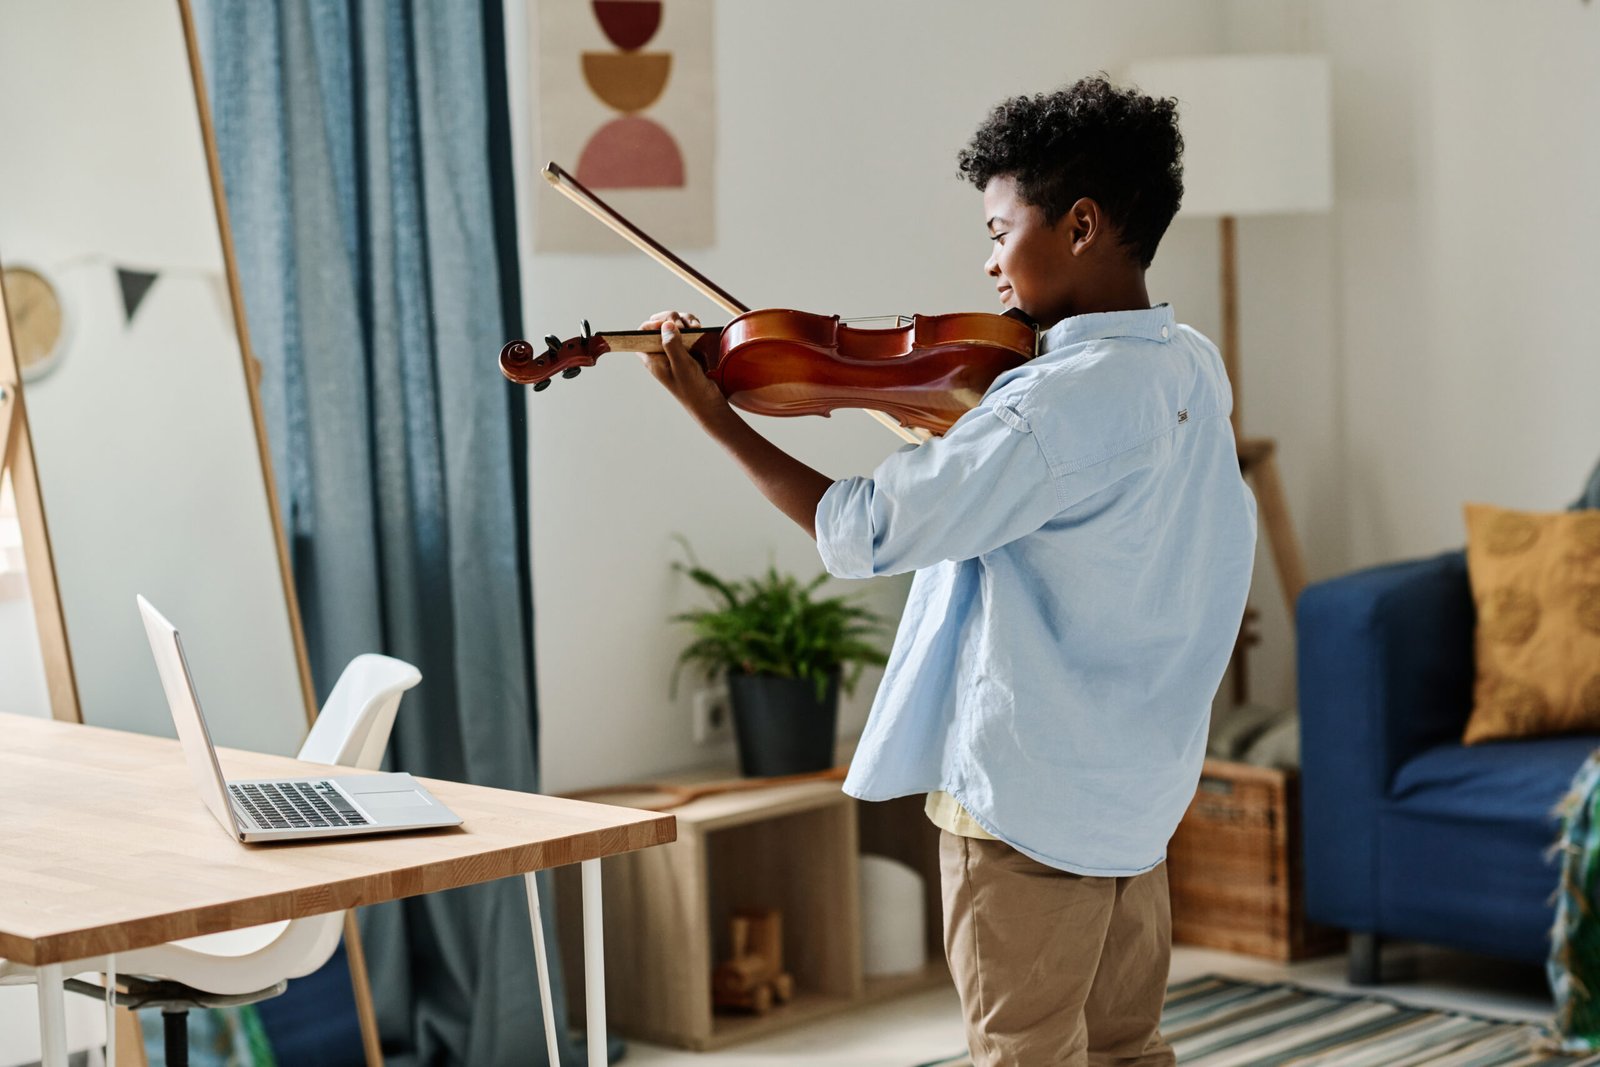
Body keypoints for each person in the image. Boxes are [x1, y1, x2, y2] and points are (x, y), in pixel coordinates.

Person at [637, 74, 1256, 1066]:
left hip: (1023, 801)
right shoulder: (1188, 366)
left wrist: (719, 423)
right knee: (1128, 1045)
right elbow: (1076, 505)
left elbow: (863, 527)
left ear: (1083, 223)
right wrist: (969, 444)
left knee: (1021, 1050)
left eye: (1002, 226)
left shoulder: (1044, 410)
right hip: (1134, 802)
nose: (989, 259)